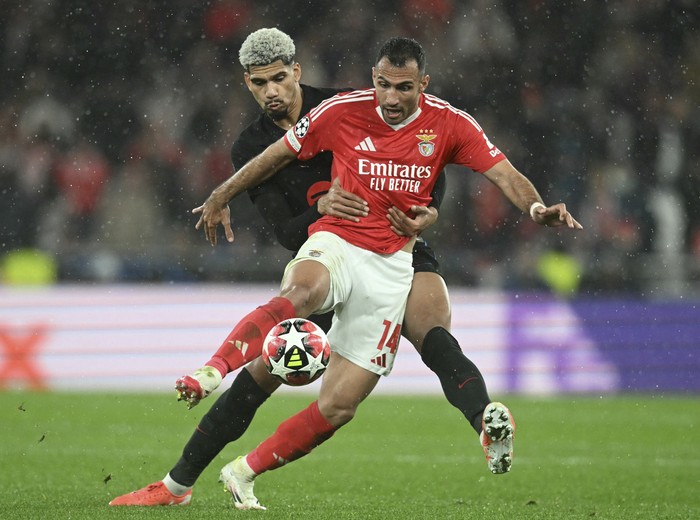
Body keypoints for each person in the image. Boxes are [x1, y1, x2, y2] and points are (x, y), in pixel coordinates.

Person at [108, 28, 502, 507]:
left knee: (431, 331)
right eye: (259, 83)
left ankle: (487, 423)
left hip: (397, 247)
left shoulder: (345, 105)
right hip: (326, 258)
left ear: (297, 72)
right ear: (247, 85)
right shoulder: (250, 147)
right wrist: (323, 211)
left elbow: (427, 157)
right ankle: (176, 485)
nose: (272, 91)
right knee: (257, 378)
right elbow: (284, 232)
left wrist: (431, 212)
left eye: (279, 78)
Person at [187, 35, 581, 511]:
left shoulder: (450, 123)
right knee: (304, 292)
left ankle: (243, 471)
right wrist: (221, 194)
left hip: (396, 262)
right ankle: (212, 369)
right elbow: (276, 156)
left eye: (403, 88)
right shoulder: (341, 109)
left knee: (342, 403)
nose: (391, 99)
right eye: (382, 85)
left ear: (423, 84)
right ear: (372, 78)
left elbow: (503, 173)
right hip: (336, 240)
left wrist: (536, 208)